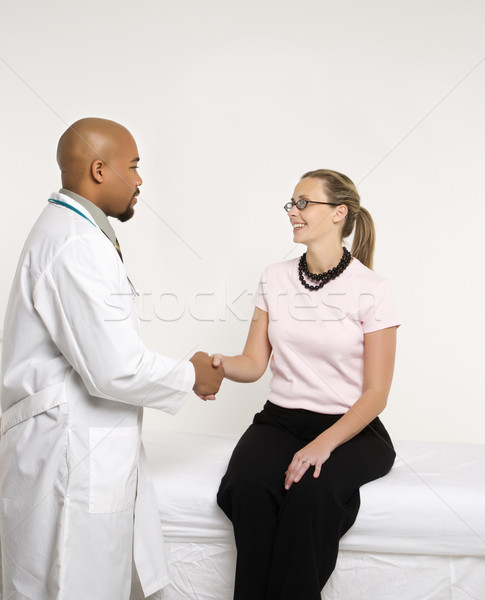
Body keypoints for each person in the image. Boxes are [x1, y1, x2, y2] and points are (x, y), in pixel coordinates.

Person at [0, 117, 223, 600]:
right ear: (99, 170)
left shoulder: (74, 231)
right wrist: (192, 376)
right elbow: (113, 367)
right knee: (70, 582)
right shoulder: (75, 243)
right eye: (134, 166)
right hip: (66, 451)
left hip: (77, 441)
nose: (141, 180)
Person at [211, 169, 400, 600]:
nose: (293, 212)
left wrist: (323, 445)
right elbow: (255, 363)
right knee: (248, 487)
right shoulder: (274, 277)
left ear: (339, 213)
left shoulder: (372, 289)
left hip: (352, 427)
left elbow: (376, 394)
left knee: (310, 496)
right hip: (280, 420)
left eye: (303, 203)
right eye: (291, 204)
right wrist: (221, 365)